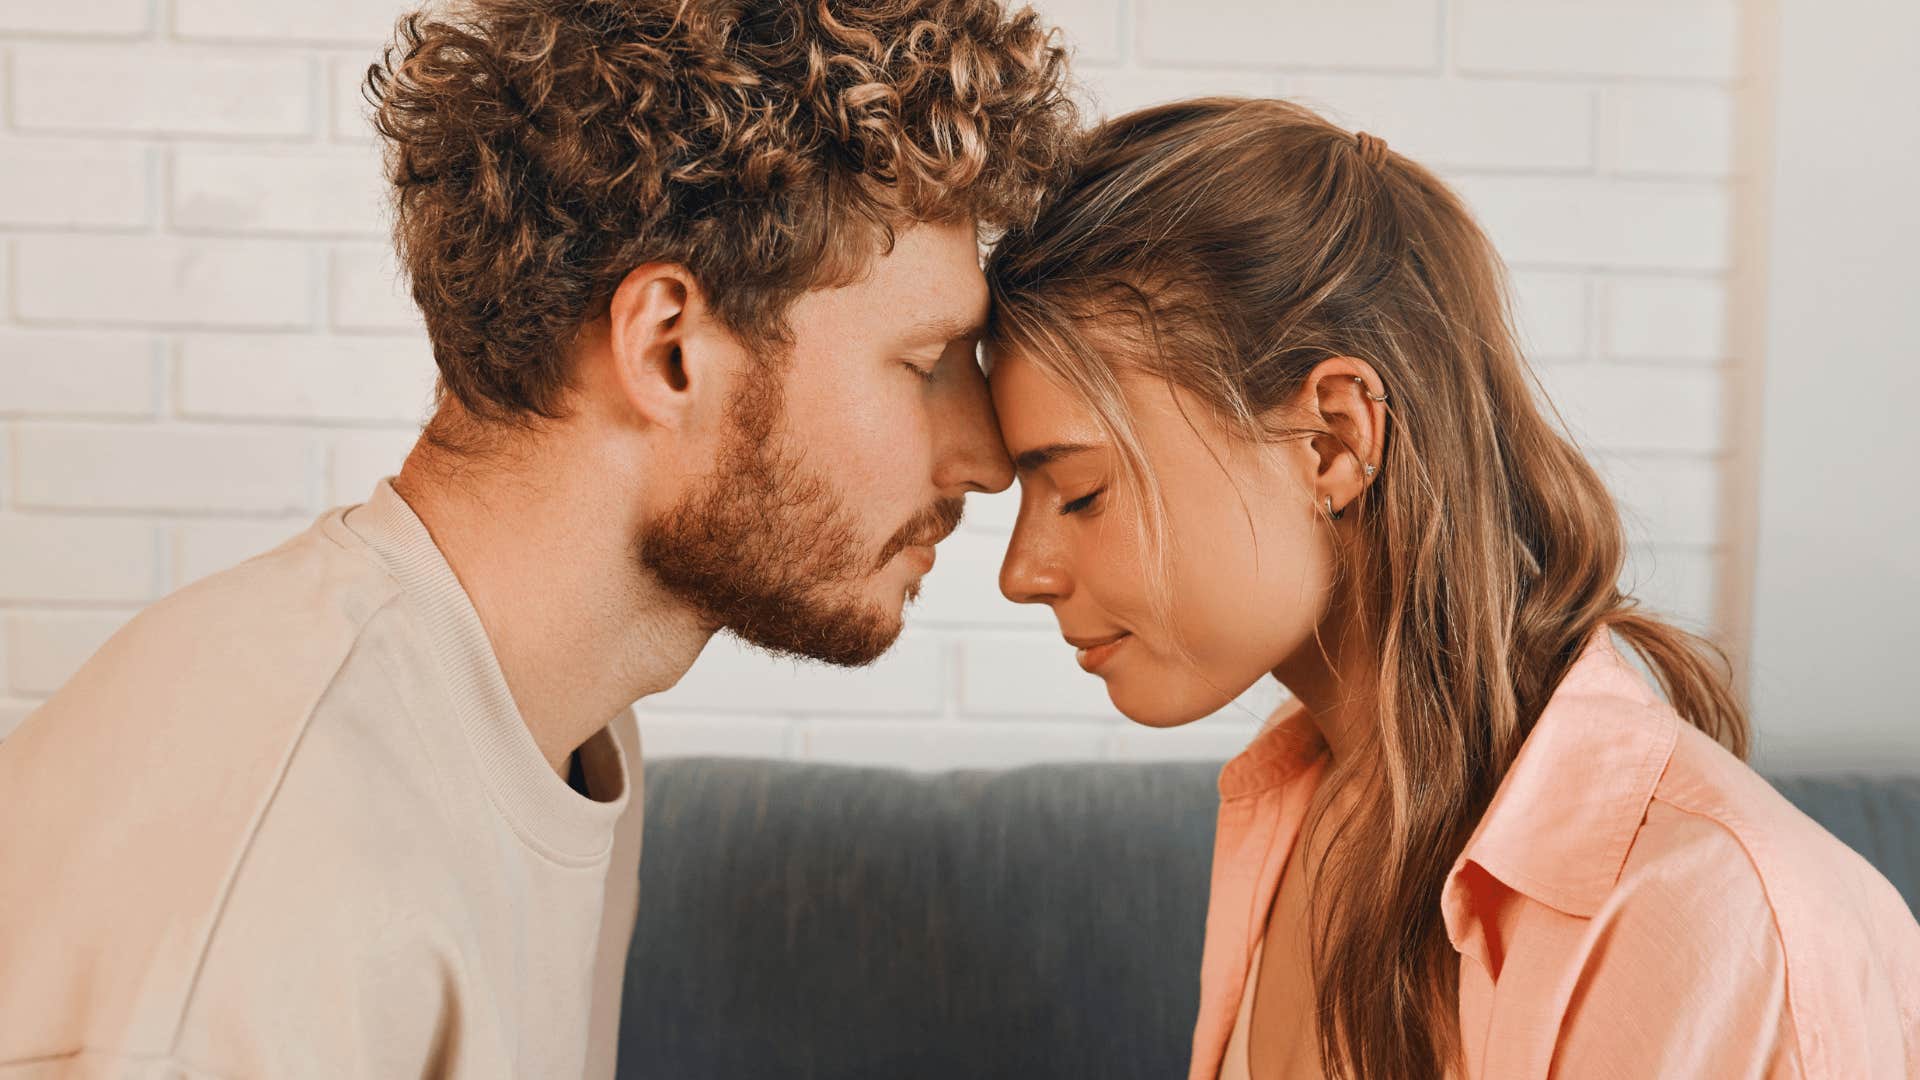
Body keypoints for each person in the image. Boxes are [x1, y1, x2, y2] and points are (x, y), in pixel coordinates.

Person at [0, 1, 1075, 1075]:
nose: (986, 457)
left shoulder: (567, 731)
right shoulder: (278, 859)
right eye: (927, 361)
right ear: (667, 350)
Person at [983, 96, 1920, 1079]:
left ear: (1333, 441)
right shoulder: (1297, 810)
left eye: (1081, 492)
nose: (1022, 572)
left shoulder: (1716, 917)